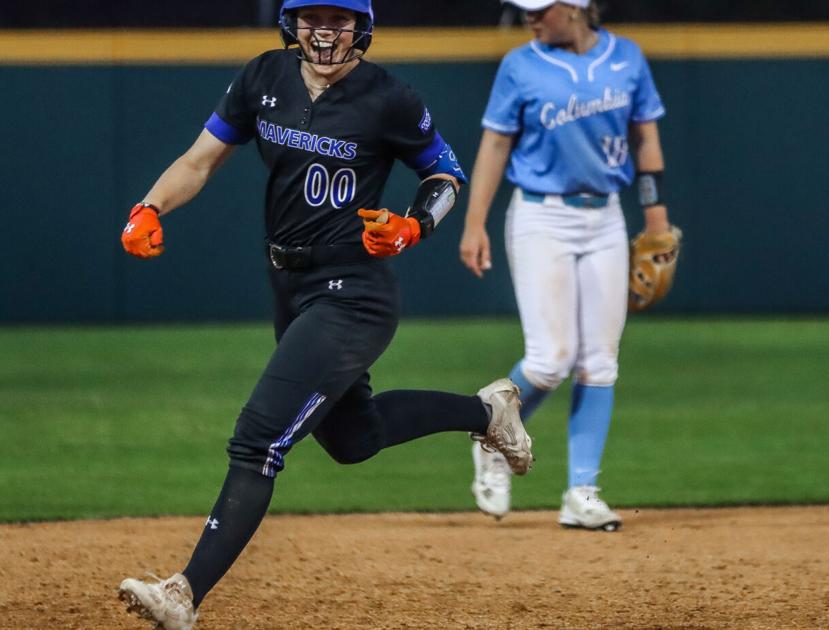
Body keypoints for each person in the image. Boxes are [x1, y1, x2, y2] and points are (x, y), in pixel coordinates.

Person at [115, 1, 533, 628]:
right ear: (292, 23)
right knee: (352, 437)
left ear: (361, 26)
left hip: (354, 291)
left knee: (258, 439)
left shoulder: (387, 96)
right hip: (290, 282)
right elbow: (198, 160)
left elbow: (445, 173)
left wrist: (413, 225)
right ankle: (487, 411)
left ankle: (183, 594)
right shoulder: (264, 77)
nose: (325, 30)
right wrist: (147, 207)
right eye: (311, 16)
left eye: (338, 18)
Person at [458, 0, 675, 531]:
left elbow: (645, 136)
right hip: (540, 216)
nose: (530, 17)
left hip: (605, 218)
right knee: (550, 360)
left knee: (599, 361)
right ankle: (492, 440)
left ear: (575, 7)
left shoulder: (626, 58)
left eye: (540, 8)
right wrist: (474, 222)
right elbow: (495, 144)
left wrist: (656, 217)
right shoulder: (521, 65)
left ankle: (582, 493)